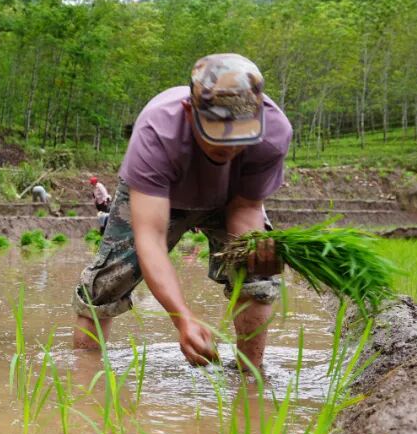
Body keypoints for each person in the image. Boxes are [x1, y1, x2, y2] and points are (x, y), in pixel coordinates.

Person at [72, 53, 291, 371]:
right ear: (190, 112)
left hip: (229, 198)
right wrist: (182, 318)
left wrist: (251, 252)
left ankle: (250, 376)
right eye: (219, 135)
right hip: (159, 197)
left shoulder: (273, 133)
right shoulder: (157, 130)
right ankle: (83, 379)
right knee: (105, 285)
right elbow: (150, 238)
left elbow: (245, 207)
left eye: (239, 138)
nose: (230, 148)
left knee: (256, 273)